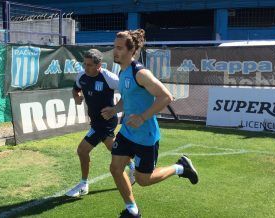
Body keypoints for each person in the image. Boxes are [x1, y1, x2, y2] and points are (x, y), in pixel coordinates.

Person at [101, 30, 199, 217]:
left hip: (146, 136)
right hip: (128, 131)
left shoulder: (141, 73)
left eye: (119, 48)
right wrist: (115, 109)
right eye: (114, 47)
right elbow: (127, 97)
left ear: (132, 51)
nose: (115, 51)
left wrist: (142, 117)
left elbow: (166, 97)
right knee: (115, 167)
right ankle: (132, 210)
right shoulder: (122, 71)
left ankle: (180, 167)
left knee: (143, 180)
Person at [66, 49, 135, 197]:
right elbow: (75, 89)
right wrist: (76, 97)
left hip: (106, 121)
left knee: (82, 150)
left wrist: (114, 109)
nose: (86, 67)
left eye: (89, 65)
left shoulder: (109, 77)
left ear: (99, 65)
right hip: (95, 120)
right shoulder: (82, 76)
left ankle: (83, 184)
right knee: (113, 148)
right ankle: (132, 166)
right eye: (84, 64)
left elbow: (129, 92)